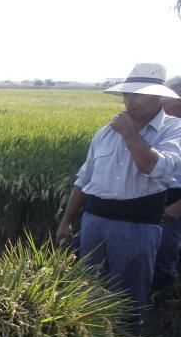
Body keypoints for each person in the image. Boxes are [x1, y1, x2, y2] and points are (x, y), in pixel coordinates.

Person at [56, 63, 181, 323]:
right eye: (127, 94)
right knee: (87, 291)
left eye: (137, 94)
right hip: (94, 221)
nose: (129, 101)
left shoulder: (173, 130)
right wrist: (67, 221)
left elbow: (154, 166)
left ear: (158, 97)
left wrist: (130, 133)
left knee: (127, 297)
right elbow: (84, 179)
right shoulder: (105, 132)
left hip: (136, 226)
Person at [151, 75, 181, 296]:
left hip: (173, 204)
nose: (160, 106)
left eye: (164, 101)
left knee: (164, 252)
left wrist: (177, 208)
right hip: (152, 200)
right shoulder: (158, 128)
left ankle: (161, 300)